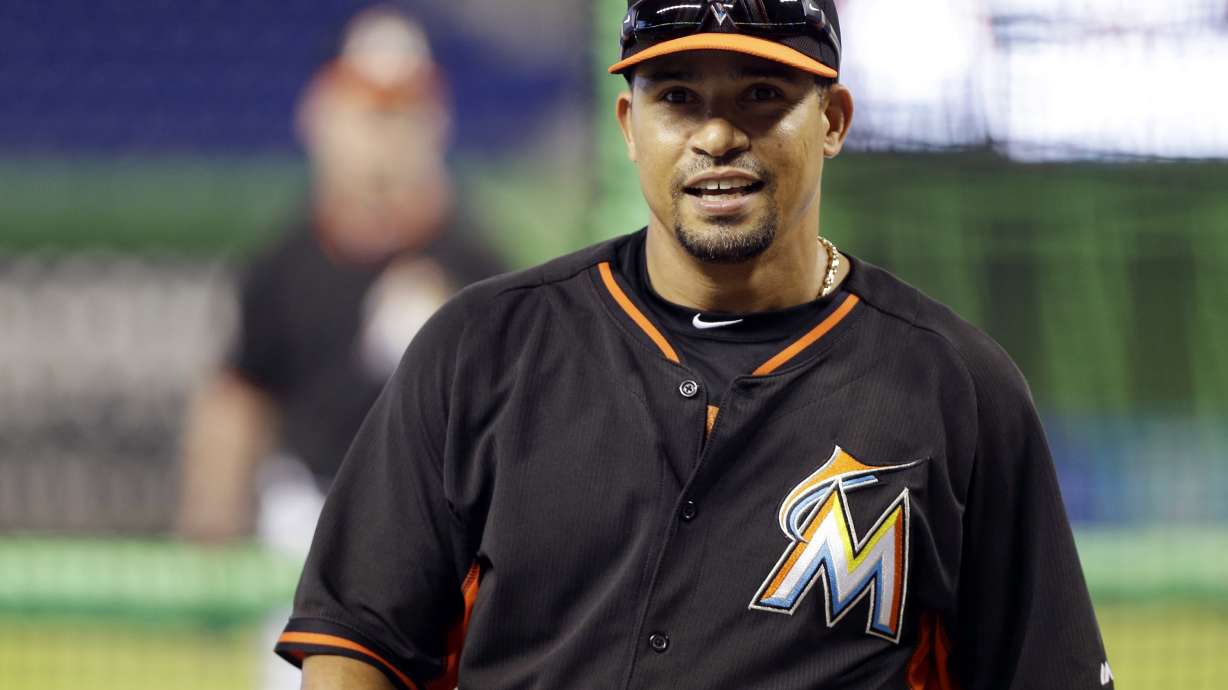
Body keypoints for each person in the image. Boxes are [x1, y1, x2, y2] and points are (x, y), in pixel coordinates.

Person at [275, 1, 1112, 688]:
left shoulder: (955, 388)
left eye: (761, 94)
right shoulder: (482, 349)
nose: (717, 135)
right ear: (629, 125)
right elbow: (357, 646)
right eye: (678, 97)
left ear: (834, 120)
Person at [176, 5, 502, 549]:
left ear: (437, 118)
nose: (387, 131)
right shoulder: (283, 265)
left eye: (405, 109)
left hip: (438, 530)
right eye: (370, 109)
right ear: (321, 113)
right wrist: (207, 545)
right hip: (305, 525)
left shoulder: (479, 270)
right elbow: (238, 398)